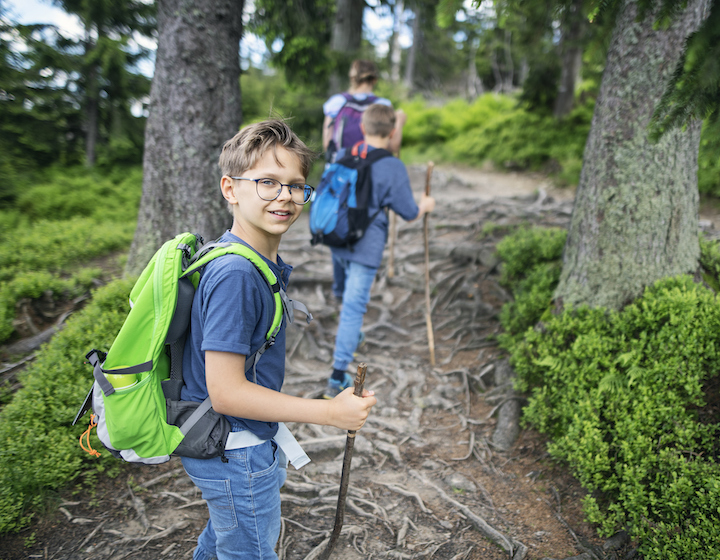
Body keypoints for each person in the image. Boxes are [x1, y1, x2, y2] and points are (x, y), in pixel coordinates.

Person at [180, 119, 377, 560]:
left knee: (222, 543)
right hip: (236, 452)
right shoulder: (236, 274)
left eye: (295, 185)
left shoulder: (249, 260)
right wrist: (329, 412)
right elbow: (227, 392)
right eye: (268, 182)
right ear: (231, 189)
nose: (285, 196)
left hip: (235, 448)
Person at [323, 104, 435, 399]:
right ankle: (337, 375)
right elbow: (409, 212)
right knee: (353, 307)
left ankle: (348, 336)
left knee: (346, 298)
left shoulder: (346, 154)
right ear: (393, 131)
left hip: (337, 236)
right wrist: (425, 205)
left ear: (362, 128)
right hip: (366, 246)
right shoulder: (392, 165)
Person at [322, 59, 406, 161]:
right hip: (371, 167)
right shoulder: (383, 105)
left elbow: (327, 144)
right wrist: (399, 121)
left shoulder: (336, 102)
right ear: (374, 80)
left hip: (341, 167)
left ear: (352, 78)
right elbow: (393, 146)